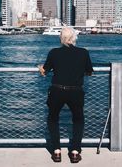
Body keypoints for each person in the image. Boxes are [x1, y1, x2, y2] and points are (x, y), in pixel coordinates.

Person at [38, 27, 93, 163]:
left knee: (53, 118)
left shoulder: (54, 52)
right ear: (74, 38)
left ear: (61, 38)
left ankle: (56, 151)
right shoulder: (83, 53)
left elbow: (45, 71)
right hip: (75, 91)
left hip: (57, 90)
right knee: (78, 119)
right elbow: (89, 71)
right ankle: (75, 152)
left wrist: (41, 69)